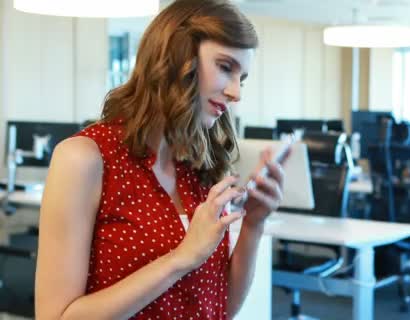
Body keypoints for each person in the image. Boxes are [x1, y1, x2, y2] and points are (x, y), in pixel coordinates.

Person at [34, 1, 285, 319]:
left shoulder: (199, 167)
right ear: (179, 57)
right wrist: (181, 258)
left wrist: (254, 223)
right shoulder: (85, 158)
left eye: (242, 78)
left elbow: (217, 307)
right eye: (225, 67)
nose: (236, 93)